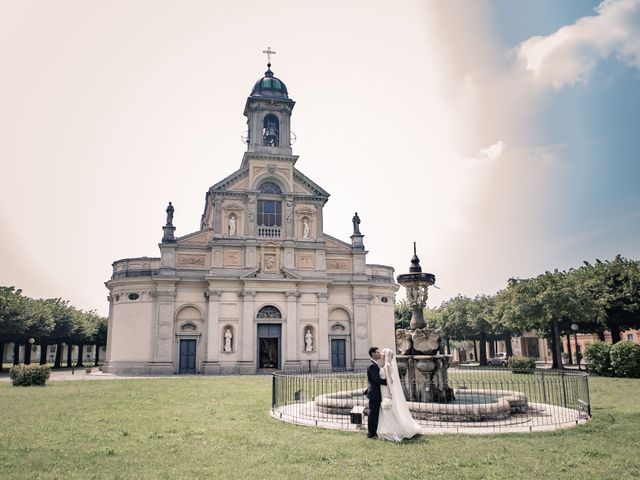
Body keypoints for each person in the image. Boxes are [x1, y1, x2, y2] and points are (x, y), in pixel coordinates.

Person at [377, 348, 421, 442]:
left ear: (386, 355)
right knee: (388, 410)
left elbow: (389, 381)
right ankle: (387, 428)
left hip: (386, 390)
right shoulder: (386, 365)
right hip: (383, 389)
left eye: (383, 353)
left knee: (389, 410)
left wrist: (389, 393)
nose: (381, 354)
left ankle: (391, 429)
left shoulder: (387, 366)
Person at [365, 347, 387, 439]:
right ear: (373, 354)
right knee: (373, 413)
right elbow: (376, 380)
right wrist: (388, 382)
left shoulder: (375, 364)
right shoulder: (372, 366)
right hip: (374, 393)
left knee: (375, 413)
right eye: (377, 352)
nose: (379, 354)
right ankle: (371, 434)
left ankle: (374, 432)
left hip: (376, 393)